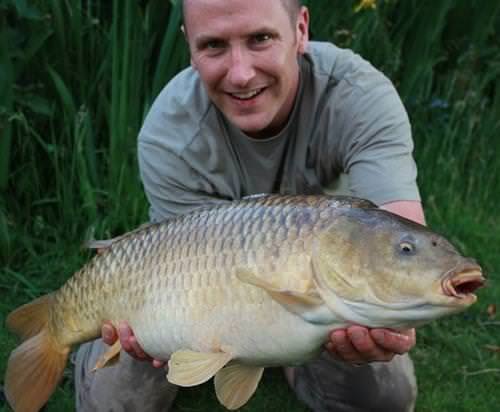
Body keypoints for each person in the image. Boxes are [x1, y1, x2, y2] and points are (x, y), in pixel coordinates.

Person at [74, 0, 425, 410]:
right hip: (203, 292)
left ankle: (294, 357)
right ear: (190, 47)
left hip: (325, 287)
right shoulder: (169, 131)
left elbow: (398, 228)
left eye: (260, 39)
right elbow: (177, 266)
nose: (241, 74)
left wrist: (406, 306)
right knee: (113, 399)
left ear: (301, 29)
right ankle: (73, 340)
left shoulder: (360, 97)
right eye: (214, 46)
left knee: (387, 396)